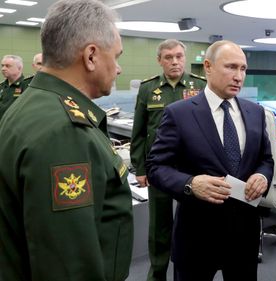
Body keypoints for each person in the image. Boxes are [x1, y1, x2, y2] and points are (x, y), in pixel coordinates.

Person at [0, 0, 133, 280]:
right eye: (117, 56)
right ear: (91, 56)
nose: (118, 68)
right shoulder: (64, 131)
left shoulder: (34, 105)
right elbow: (69, 265)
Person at [146, 40, 274, 281]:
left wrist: (262, 175)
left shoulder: (255, 113)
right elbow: (156, 167)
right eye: (231, 67)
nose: (239, 76)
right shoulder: (179, 113)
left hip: (243, 236)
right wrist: (190, 184)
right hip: (197, 236)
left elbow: (266, 159)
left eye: (243, 69)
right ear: (208, 66)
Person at [130, 39, 206, 281]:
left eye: (179, 56)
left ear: (185, 58)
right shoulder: (147, 88)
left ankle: (189, 272)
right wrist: (140, 168)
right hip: (159, 169)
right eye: (168, 57)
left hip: (191, 168)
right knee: (159, 228)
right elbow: (139, 132)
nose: (174, 61)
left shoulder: (201, 85)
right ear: (159, 60)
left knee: (192, 223)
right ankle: (158, 274)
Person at [0, 54, 26, 120]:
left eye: (8, 66)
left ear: (19, 68)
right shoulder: (1, 86)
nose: (3, 69)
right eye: (2, 66)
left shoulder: (27, 86)